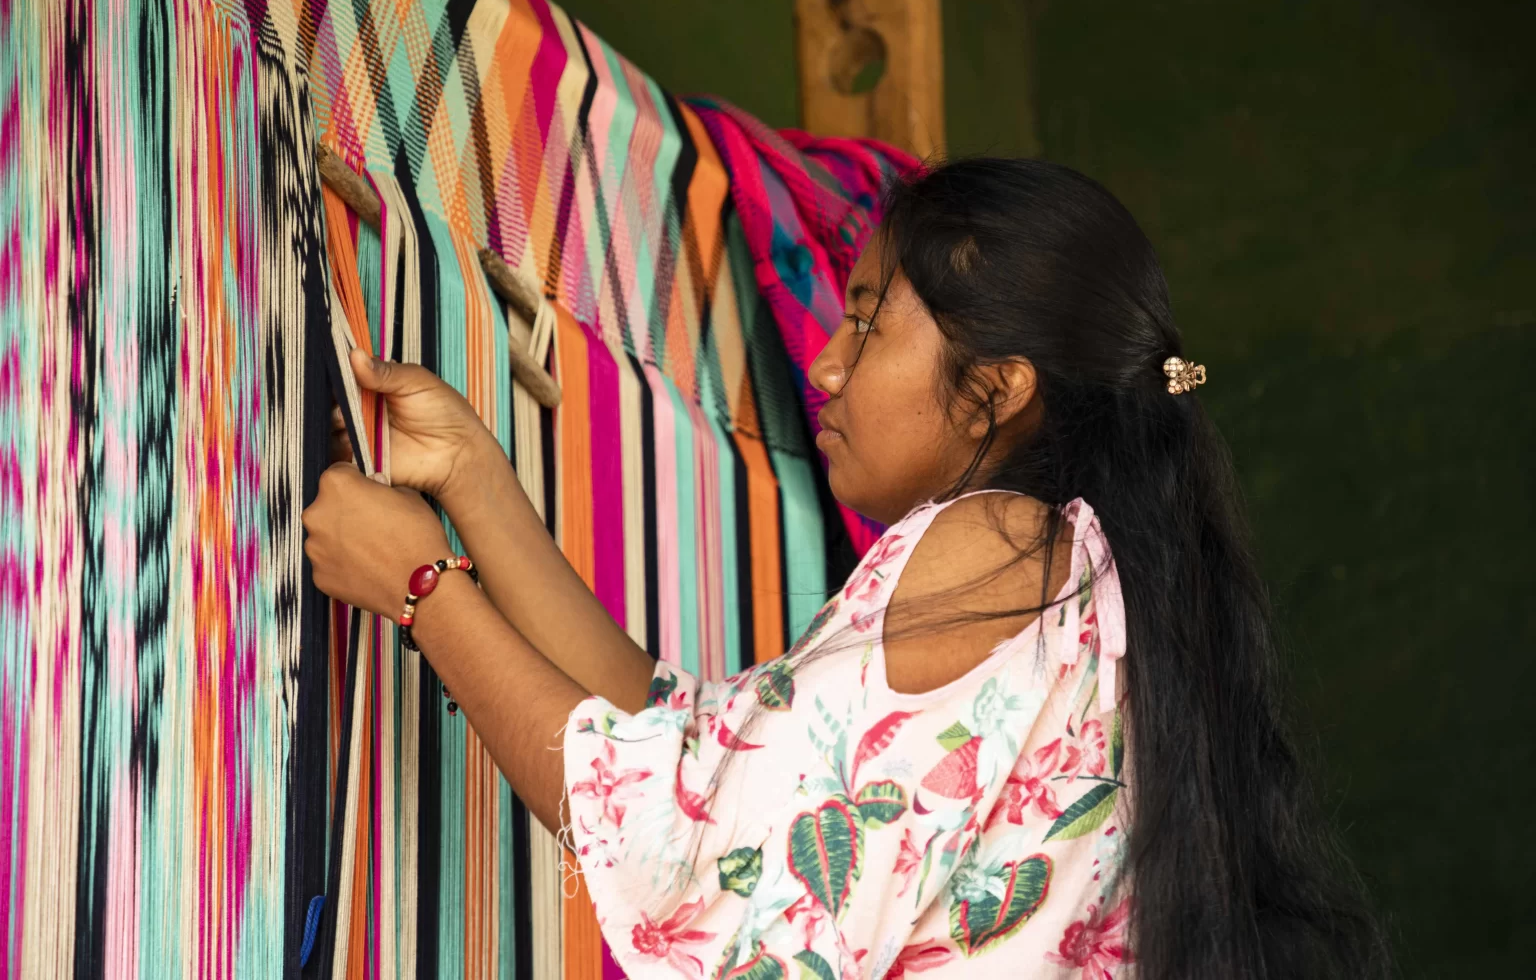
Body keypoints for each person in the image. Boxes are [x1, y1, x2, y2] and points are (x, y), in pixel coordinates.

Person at [303, 158, 1388, 979]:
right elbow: (690, 746)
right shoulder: (1096, 603)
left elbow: (698, 843)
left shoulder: (995, 545)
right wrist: (481, 487)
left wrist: (422, 590)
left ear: (995, 389)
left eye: (868, 317)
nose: (825, 360)